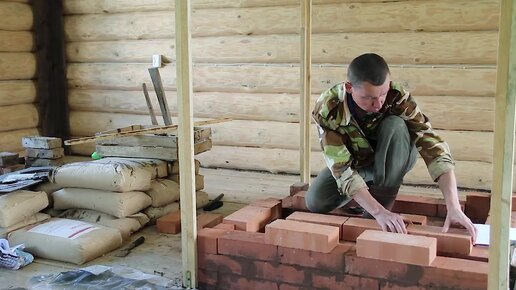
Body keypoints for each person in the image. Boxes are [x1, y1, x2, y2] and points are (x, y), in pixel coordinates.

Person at [306, 53, 477, 242]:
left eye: (382, 94)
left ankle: (382, 199)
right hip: (356, 163)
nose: (378, 103)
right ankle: (367, 194)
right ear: (349, 88)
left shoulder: (398, 96)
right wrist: (378, 211)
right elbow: (341, 169)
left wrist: (453, 206)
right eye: (369, 98)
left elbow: (434, 147)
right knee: (316, 202)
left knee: (395, 124)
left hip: (395, 157)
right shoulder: (329, 108)